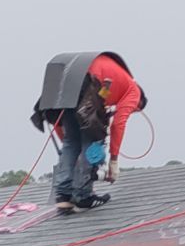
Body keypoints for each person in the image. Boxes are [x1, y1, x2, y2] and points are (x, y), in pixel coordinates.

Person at [32, 53, 146, 214]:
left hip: (64, 84)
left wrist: (72, 153)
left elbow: (60, 126)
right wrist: (113, 160)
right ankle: (83, 196)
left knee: (72, 141)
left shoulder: (115, 80)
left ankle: (63, 196)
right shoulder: (133, 91)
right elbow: (118, 124)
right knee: (91, 138)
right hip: (87, 83)